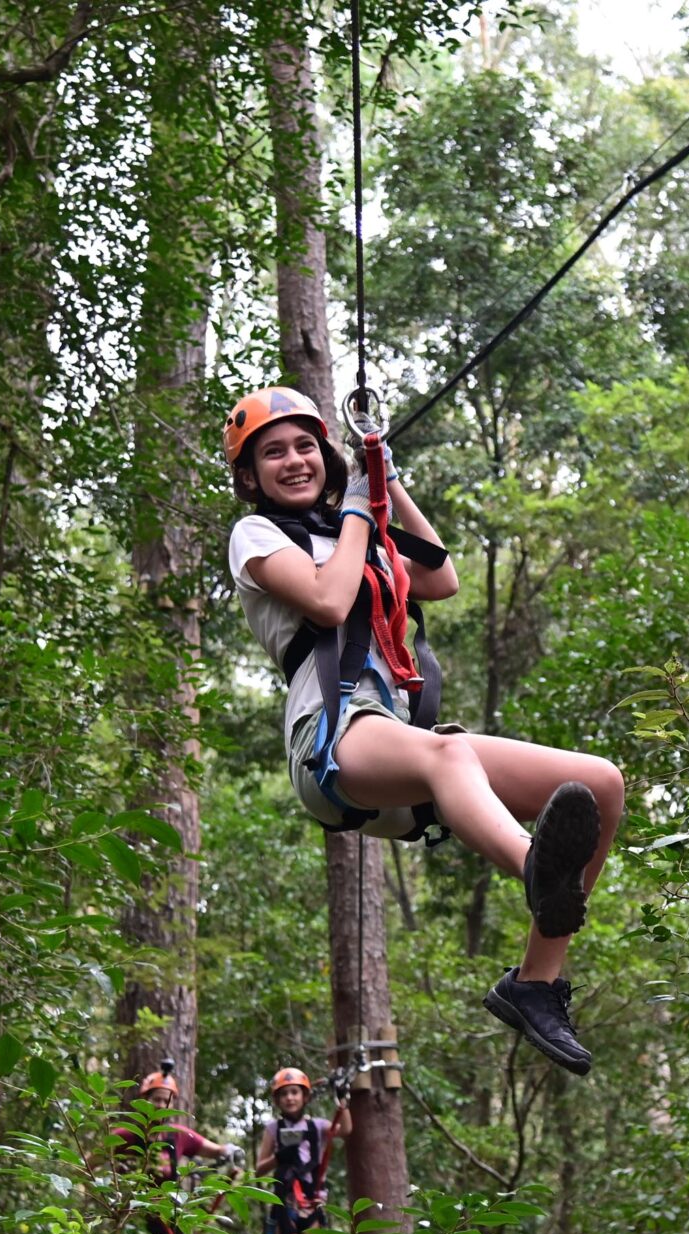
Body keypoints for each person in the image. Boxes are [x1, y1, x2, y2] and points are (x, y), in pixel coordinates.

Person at [224, 386, 626, 1074]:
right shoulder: (256, 536)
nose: (293, 460)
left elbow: (440, 578)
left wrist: (386, 479)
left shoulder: (354, 529)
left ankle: (535, 981)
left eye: (304, 445)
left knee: (600, 783)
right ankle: (533, 865)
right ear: (249, 476)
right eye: (272, 452)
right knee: (448, 751)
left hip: (403, 745)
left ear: (325, 452)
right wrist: (357, 504)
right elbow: (328, 598)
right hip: (333, 735)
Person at [110, 1065, 243, 1234]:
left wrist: (231, 1151)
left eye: (167, 1100)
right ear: (144, 1100)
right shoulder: (125, 1136)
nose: (162, 1105)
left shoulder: (178, 1136)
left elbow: (215, 1150)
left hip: (167, 1219)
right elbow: (89, 1164)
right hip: (133, 1219)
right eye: (157, 1099)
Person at [256, 1066, 350, 1234]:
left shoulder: (317, 1126)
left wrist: (343, 1102)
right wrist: (279, 1157)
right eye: (284, 1094)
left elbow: (346, 1131)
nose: (290, 1098)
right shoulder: (273, 1129)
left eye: (295, 1092)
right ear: (277, 1100)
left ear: (305, 1096)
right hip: (285, 1201)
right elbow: (258, 1169)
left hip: (311, 1200)